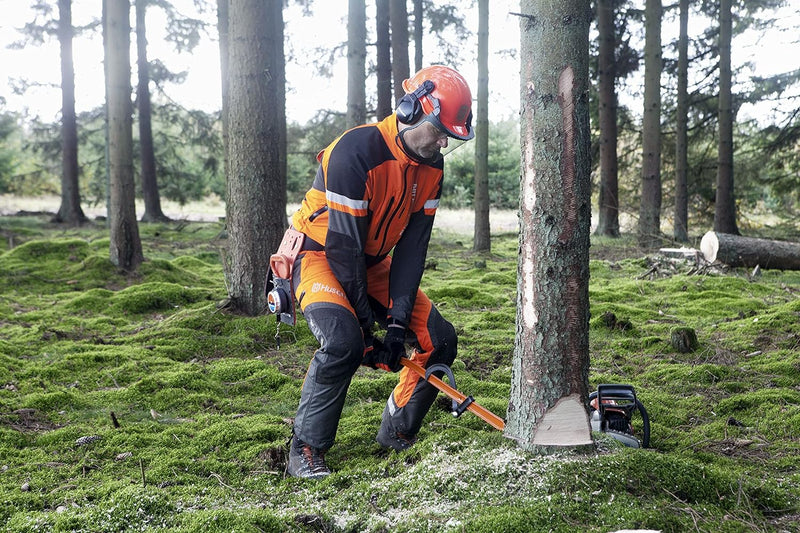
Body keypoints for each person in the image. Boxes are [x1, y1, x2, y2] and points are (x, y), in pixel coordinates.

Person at [283, 65, 474, 479]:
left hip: (367, 263)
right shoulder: (357, 151)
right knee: (344, 341)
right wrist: (369, 329)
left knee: (439, 339)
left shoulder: (432, 169)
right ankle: (305, 448)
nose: (444, 142)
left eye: (451, 137)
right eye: (440, 130)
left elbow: (411, 251)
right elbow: (343, 245)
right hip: (317, 253)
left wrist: (397, 325)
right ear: (411, 110)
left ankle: (397, 432)